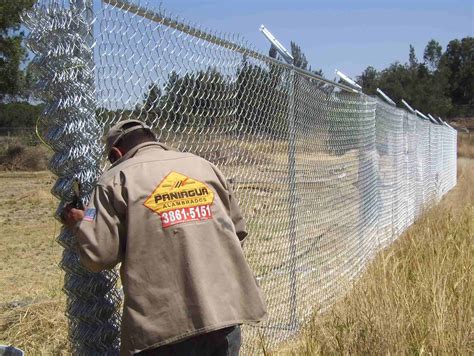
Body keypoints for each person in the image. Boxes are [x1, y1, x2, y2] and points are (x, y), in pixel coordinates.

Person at [63, 119, 267, 355]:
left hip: (163, 329)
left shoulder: (114, 180)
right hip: (223, 316)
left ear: (116, 153)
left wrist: (81, 224)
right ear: (155, 141)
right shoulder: (204, 167)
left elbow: (98, 256)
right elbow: (237, 232)